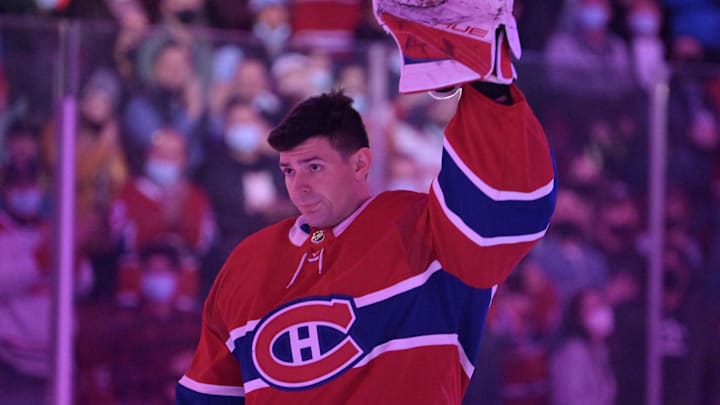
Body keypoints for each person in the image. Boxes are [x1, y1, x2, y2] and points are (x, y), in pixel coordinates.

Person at [176, 0, 557, 403]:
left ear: (361, 163)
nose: (300, 185)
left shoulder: (421, 230)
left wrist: (486, 82)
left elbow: (504, 216)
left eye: (315, 167)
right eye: (289, 170)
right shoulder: (246, 264)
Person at [549, 288, 617, 405]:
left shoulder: (601, 350)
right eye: (592, 308)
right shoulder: (572, 354)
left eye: (601, 305)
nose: (599, 312)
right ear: (578, 317)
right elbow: (571, 401)